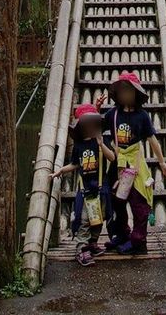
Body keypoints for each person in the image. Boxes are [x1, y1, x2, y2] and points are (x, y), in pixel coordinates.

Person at [96, 70, 166, 255]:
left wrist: (161, 162)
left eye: (128, 91)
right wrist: (97, 110)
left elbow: (152, 139)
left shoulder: (142, 116)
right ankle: (122, 234)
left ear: (136, 93)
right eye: (121, 92)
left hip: (135, 163)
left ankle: (138, 240)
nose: (125, 95)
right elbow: (97, 127)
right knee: (116, 201)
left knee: (139, 201)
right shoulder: (112, 114)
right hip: (117, 163)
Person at [51, 103, 116, 266]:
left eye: (92, 123)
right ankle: (82, 249)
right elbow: (75, 164)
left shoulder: (101, 141)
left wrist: (101, 144)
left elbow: (112, 158)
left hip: (101, 188)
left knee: (98, 218)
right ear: (80, 126)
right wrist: (60, 171)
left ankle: (92, 242)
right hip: (85, 189)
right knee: (85, 219)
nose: (90, 127)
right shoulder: (78, 146)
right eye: (86, 124)